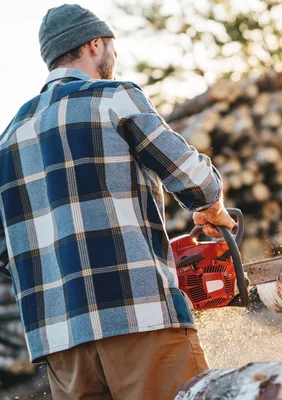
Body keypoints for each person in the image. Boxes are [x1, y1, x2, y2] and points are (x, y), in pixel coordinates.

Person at [0, 4, 235, 399]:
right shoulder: (112, 97)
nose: (114, 57)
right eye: (112, 47)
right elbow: (193, 179)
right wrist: (211, 208)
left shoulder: (9, 138)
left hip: (61, 344)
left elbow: (6, 250)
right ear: (94, 44)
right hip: (138, 317)